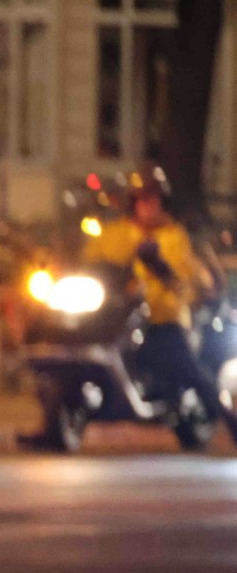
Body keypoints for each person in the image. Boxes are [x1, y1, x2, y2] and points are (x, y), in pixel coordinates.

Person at [84, 169, 218, 403]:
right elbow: (90, 260)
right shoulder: (117, 232)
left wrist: (161, 267)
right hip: (119, 315)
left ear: (161, 201)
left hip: (162, 315)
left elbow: (182, 277)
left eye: (152, 198)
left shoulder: (174, 235)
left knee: (187, 369)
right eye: (141, 198)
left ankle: (222, 413)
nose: (147, 204)